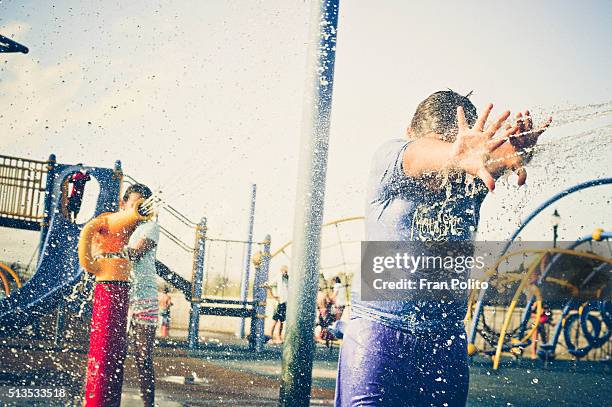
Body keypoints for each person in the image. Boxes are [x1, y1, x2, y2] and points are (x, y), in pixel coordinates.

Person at [334, 90, 551, 406]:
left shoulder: (474, 173)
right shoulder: (391, 158)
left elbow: (497, 157)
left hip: (445, 341)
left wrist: (516, 151)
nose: (453, 159)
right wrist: (452, 155)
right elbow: (422, 154)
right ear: (410, 135)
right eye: (444, 143)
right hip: (379, 336)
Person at [121, 183, 160, 407]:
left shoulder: (150, 227)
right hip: (121, 296)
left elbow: (136, 253)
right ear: (124, 204)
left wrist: (118, 251)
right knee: (113, 353)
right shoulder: (123, 227)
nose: (138, 209)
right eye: (133, 204)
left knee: (142, 357)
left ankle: (148, 405)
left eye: (142, 205)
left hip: (144, 298)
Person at [266, 265, 289, 344]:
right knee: (275, 320)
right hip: (279, 302)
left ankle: (278, 337)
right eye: (285, 271)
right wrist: (273, 296)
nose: (285, 273)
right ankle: (270, 337)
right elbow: (268, 285)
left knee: (281, 321)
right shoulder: (278, 277)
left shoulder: (286, 278)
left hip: (285, 302)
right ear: (281, 270)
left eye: (286, 271)